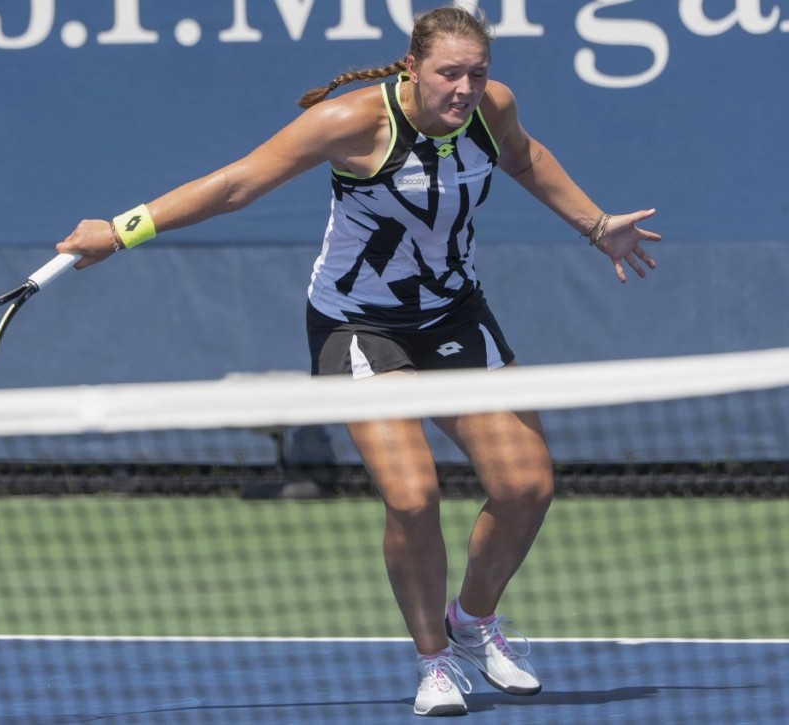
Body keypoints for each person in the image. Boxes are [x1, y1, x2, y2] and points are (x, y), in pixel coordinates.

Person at [57, 4, 660, 717]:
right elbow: (238, 183)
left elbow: (523, 155)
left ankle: (472, 620)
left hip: (456, 318)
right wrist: (121, 232)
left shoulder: (492, 108)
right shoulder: (351, 124)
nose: (465, 88)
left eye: (477, 72)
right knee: (411, 496)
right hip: (359, 327)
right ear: (412, 67)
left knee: (526, 485)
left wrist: (595, 225)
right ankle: (434, 658)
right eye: (449, 73)